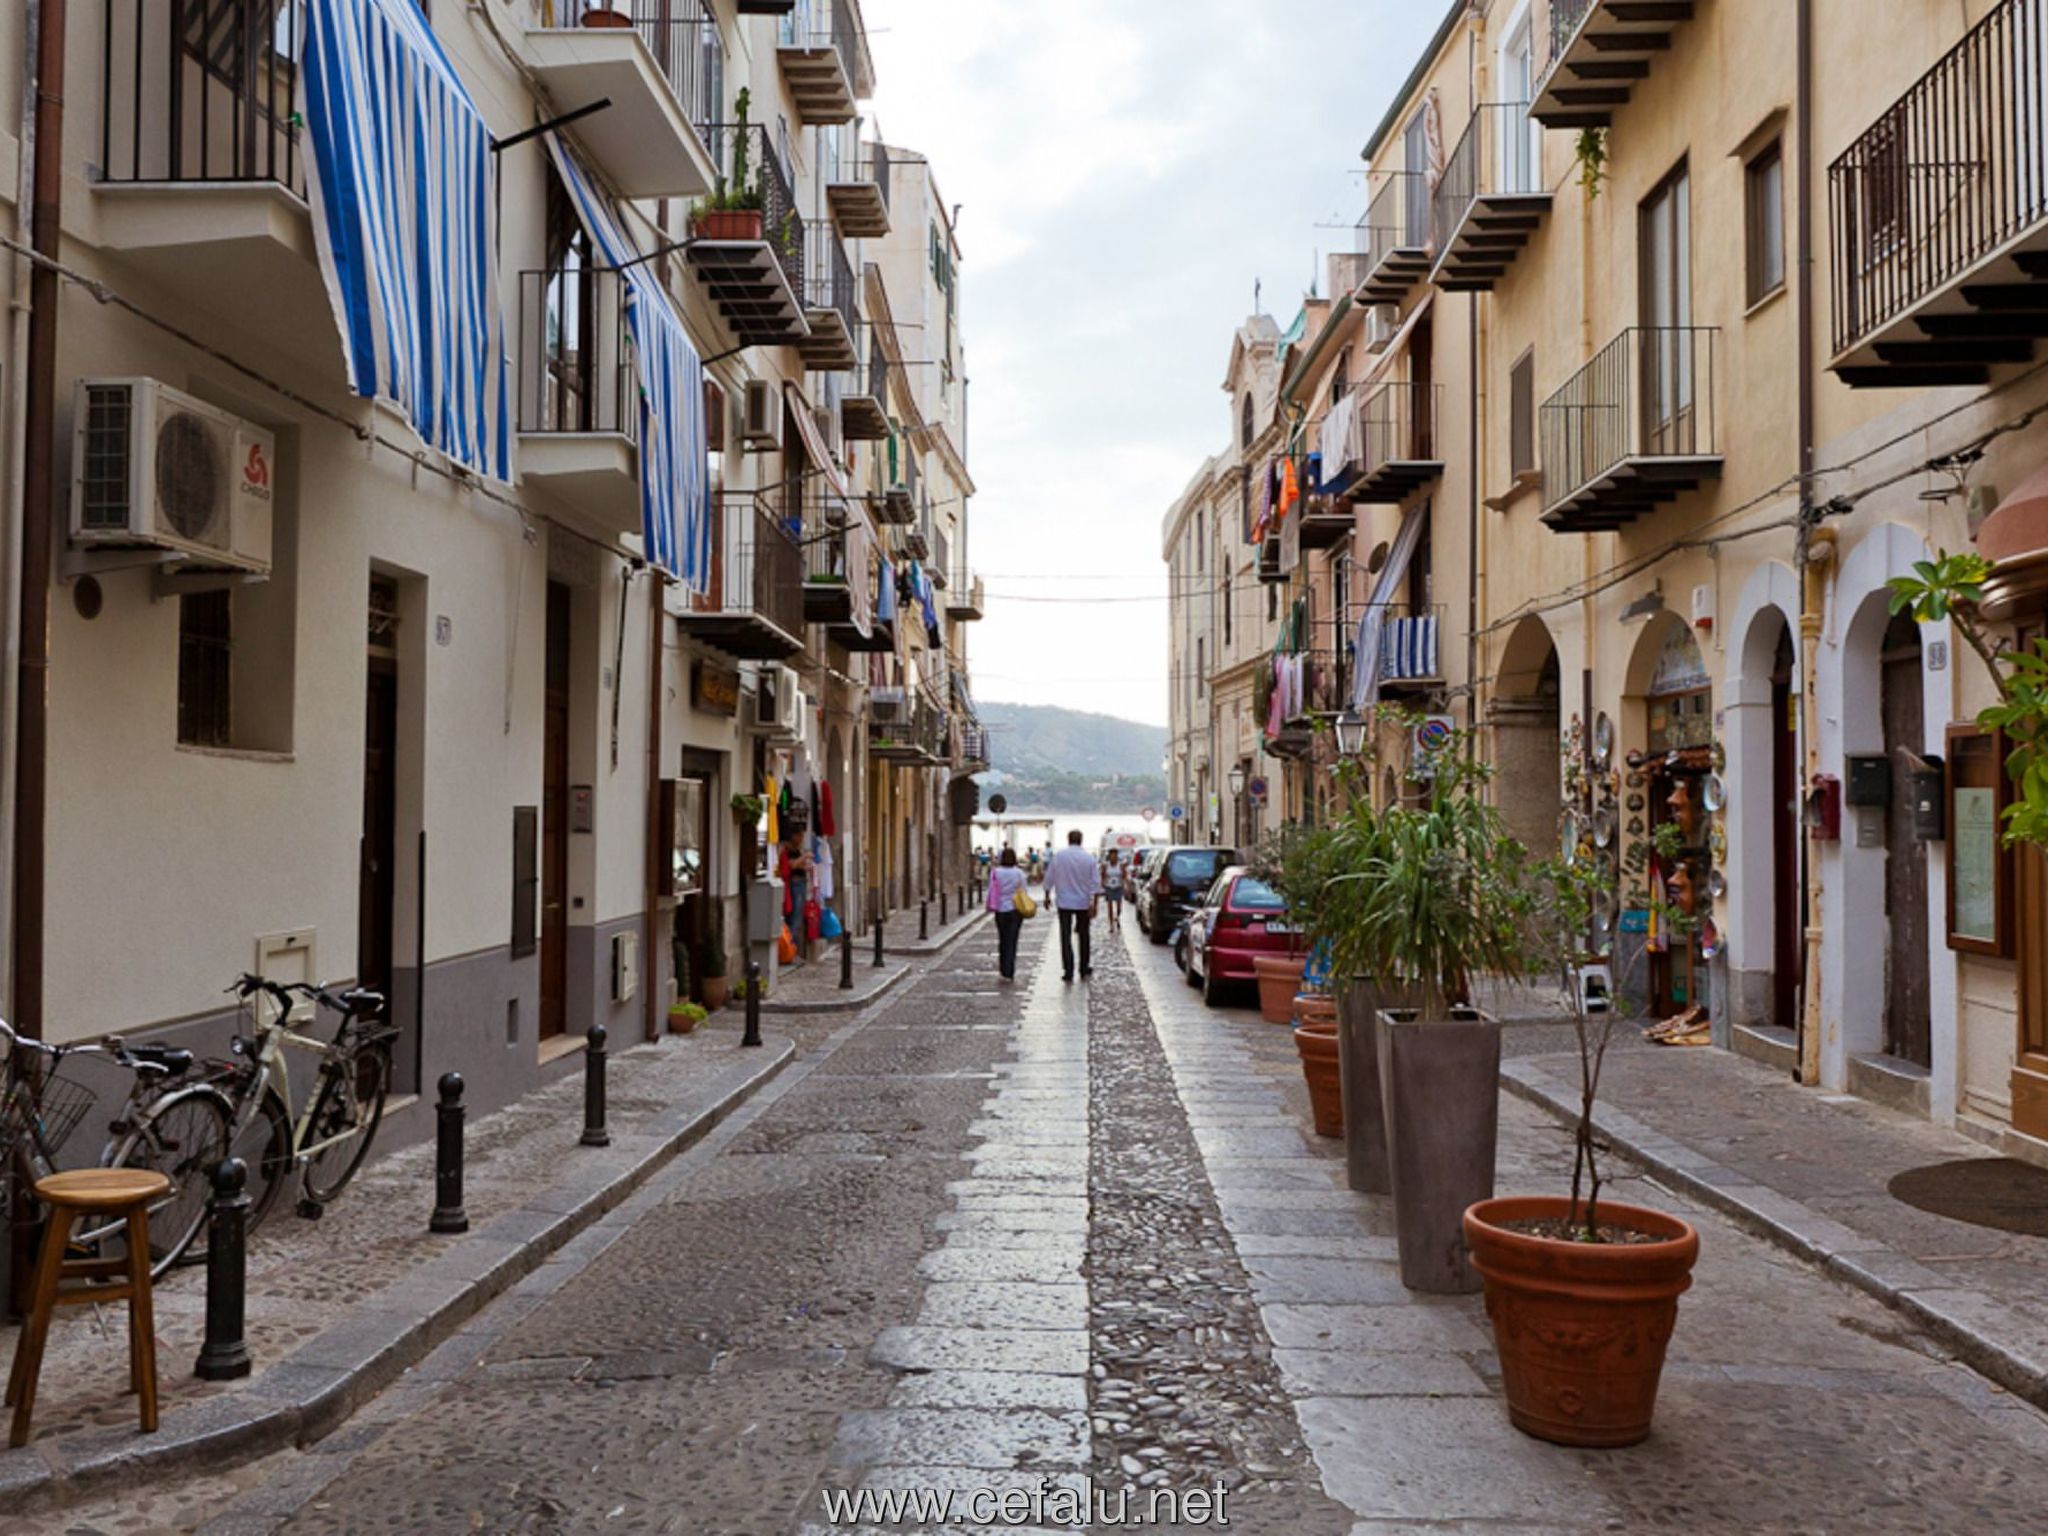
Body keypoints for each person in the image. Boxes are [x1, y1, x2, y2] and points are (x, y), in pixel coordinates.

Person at [1043, 829, 1101, 982]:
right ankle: (1083, 967)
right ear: (1081, 840)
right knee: (1084, 935)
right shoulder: (1089, 858)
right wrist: (1094, 904)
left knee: (1065, 935)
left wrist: (1047, 895)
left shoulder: (1059, 857)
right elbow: (1095, 883)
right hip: (1083, 902)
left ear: (1068, 839)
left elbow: (1050, 877)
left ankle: (1068, 970)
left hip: (1064, 902)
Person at [986, 847, 1030, 982]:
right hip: (1015, 910)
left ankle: (1003, 969)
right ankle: (1010, 970)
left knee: (1003, 939)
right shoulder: (1019, 873)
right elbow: (1024, 891)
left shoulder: (996, 872)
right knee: (1013, 940)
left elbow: (991, 890)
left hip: (1000, 909)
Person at [1100, 849, 1124, 933]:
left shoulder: (1120, 865)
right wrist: (1102, 884)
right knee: (1109, 906)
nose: (1113, 857)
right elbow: (1102, 875)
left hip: (1118, 886)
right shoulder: (1106, 865)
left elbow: (1124, 875)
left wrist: (1124, 884)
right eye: (1111, 855)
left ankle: (1117, 917)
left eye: (1114, 855)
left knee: (1119, 906)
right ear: (1109, 856)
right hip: (1109, 887)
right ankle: (1111, 925)